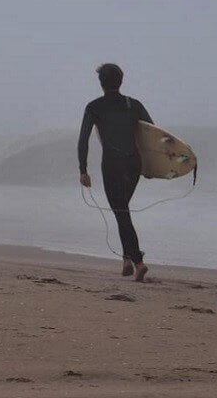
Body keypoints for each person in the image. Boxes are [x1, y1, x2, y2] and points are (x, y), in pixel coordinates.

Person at [78, 63, 153, 281]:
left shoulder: (94, 107)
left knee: (121, 212)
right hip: (134, 164)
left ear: (101, 83)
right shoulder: (133, 104)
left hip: (112, 165)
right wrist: (151, 166)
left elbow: (83, 140)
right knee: (123, 211)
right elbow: (152, 136)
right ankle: (126, 260)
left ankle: (138, 262)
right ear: (121, 81)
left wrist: (83, 169)